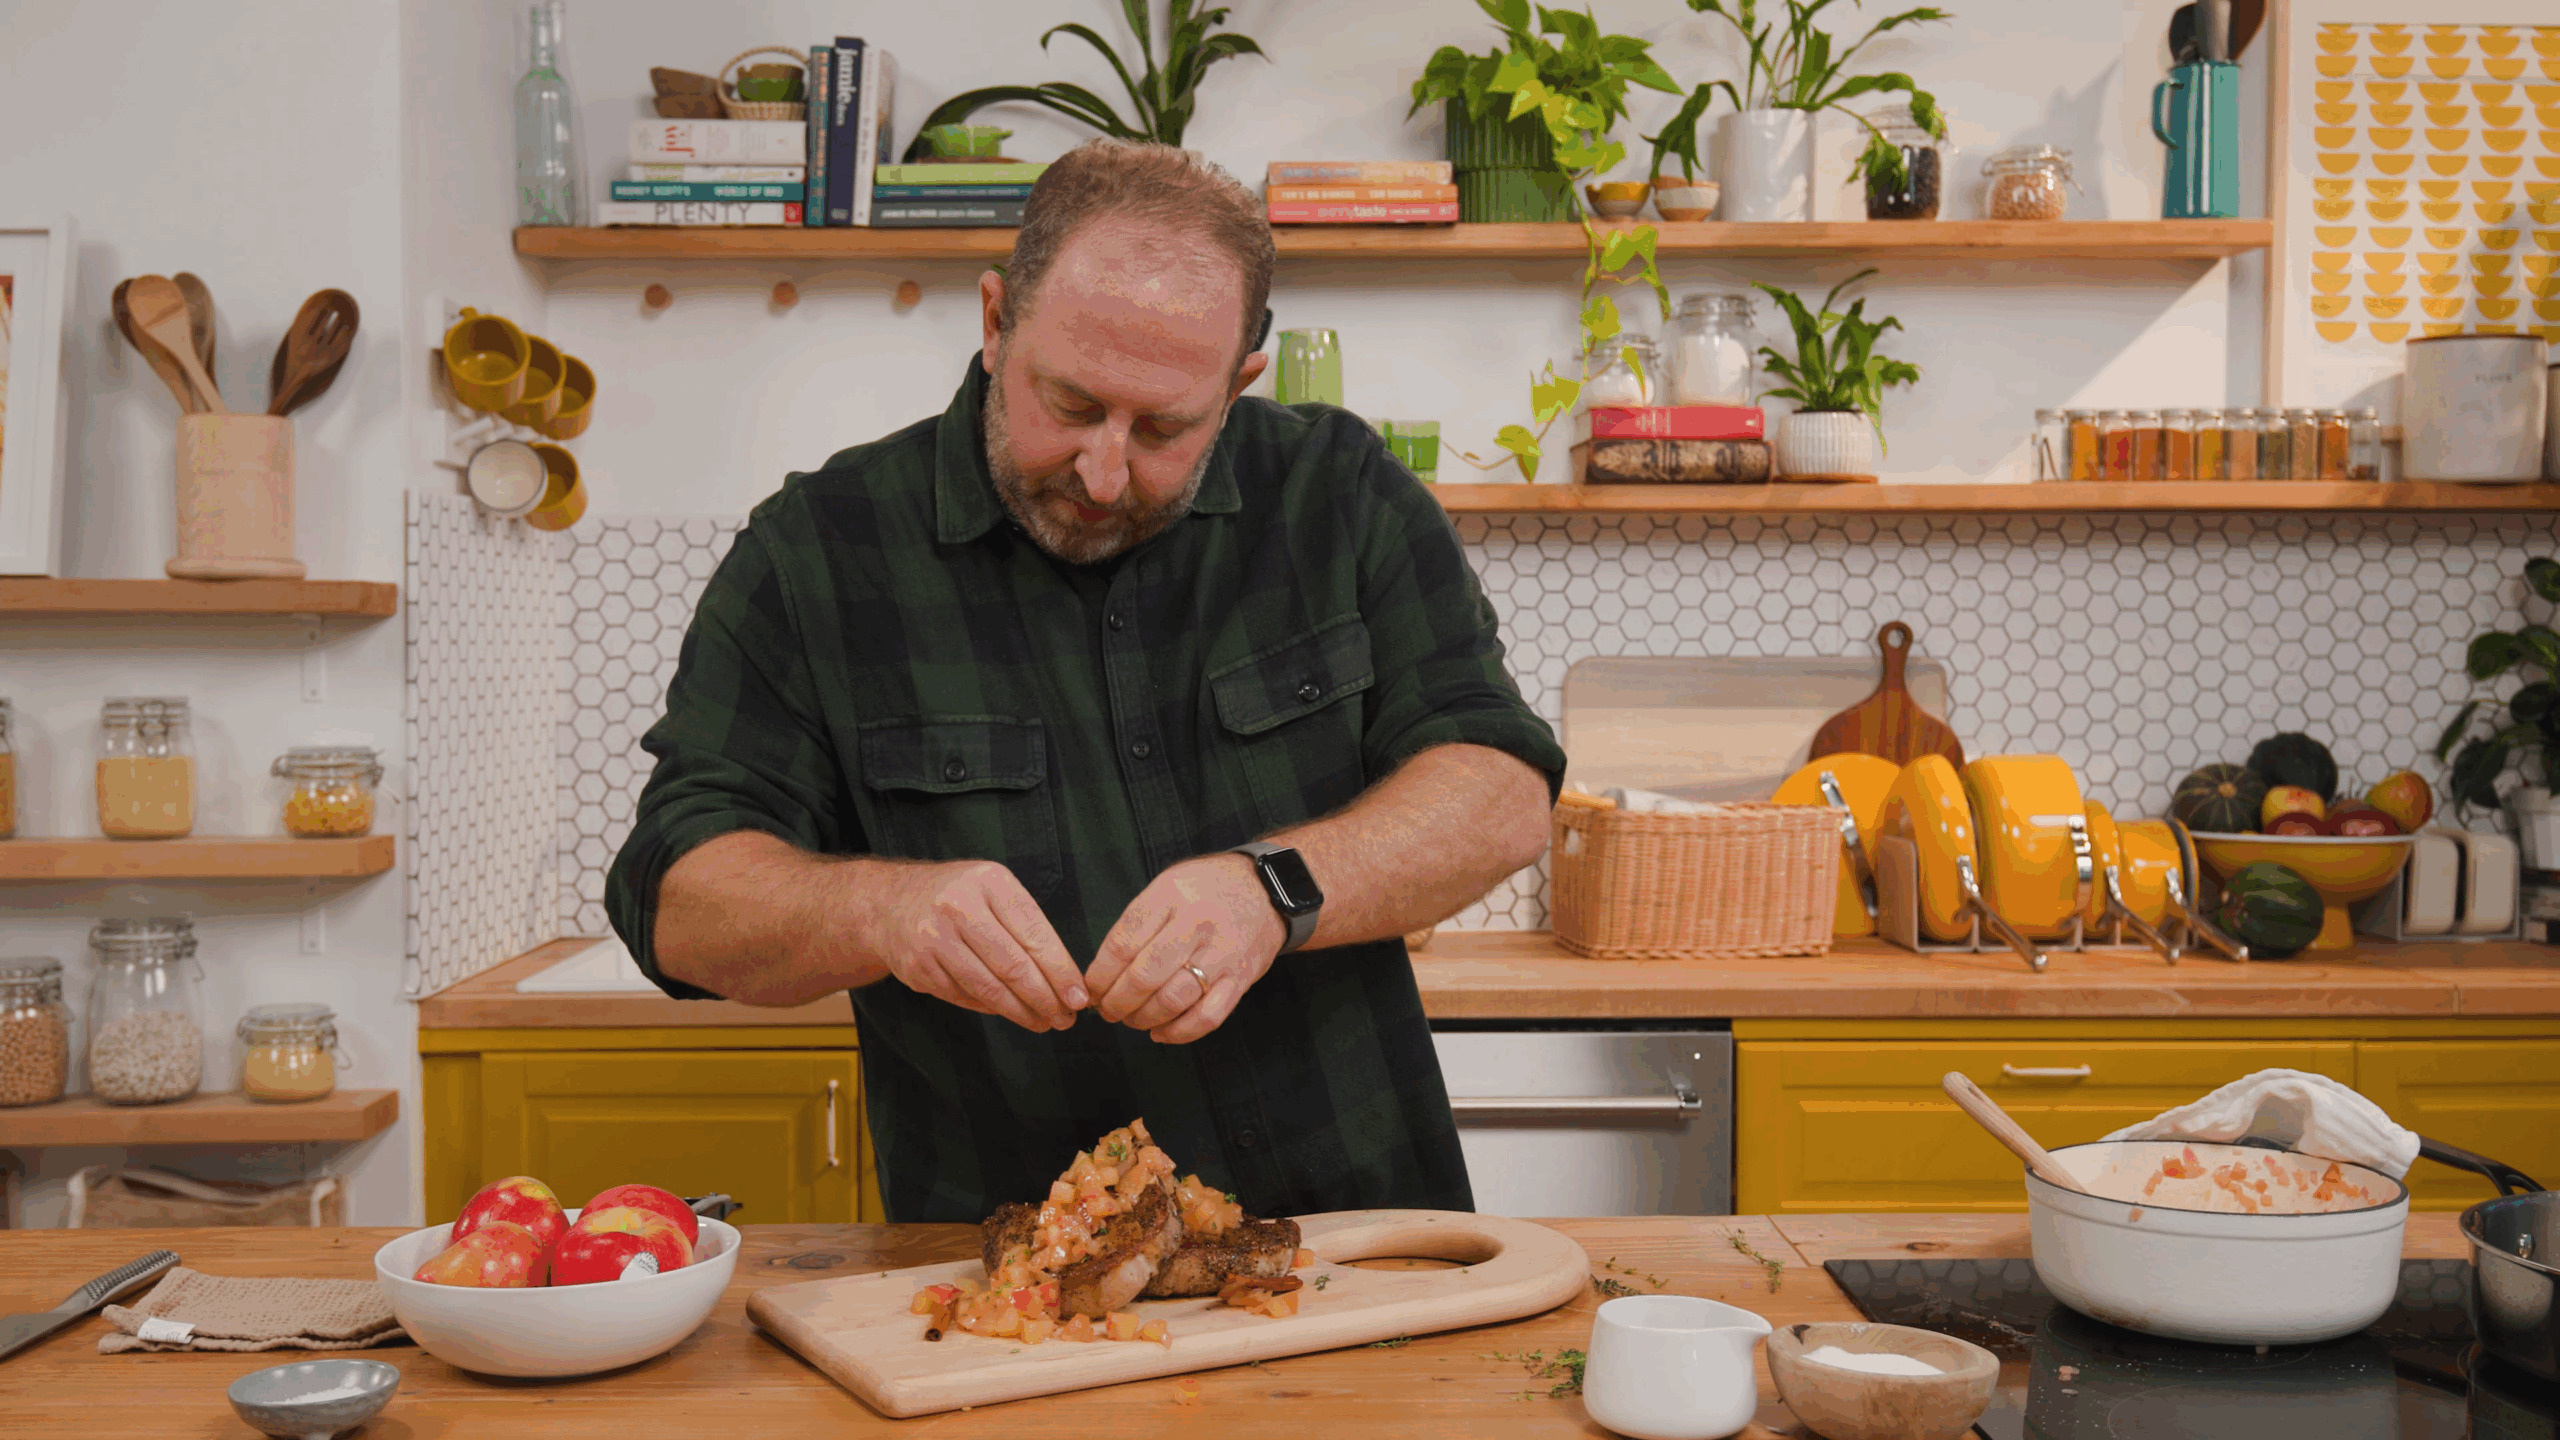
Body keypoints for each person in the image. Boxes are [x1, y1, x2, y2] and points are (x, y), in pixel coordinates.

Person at [606, 140, 1564, 1223]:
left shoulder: (1338, 495)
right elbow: (671, 900)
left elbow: (1501, 790)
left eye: (1163, 428)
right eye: (1068, 405)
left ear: (1241, 381)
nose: (1104, 473)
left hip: (1366, 1243)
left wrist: (1276, 889)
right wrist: (884, 909)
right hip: (1014, 1286)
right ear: (993, 322)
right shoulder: (818, 553)